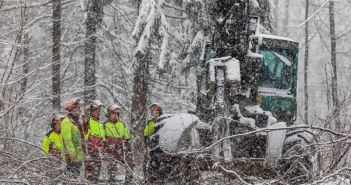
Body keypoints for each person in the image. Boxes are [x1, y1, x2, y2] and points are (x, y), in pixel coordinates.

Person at [104, 104, 133, 184]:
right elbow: (103, 139)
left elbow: (127, 137)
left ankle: (128, 182)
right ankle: (112, 181)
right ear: (109, 114)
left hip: (122, 148)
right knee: (112, 166)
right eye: (113, 113)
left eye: (117, 113)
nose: (115, 115)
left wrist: (128, 147)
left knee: (130, 163)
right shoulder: (105, 125)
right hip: (111, 149)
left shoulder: (122, 124)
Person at [61, 98, 84, 178]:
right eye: (77, 108)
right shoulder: (66, 122)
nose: (79, 111)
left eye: (79, 108)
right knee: (70, 178)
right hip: (71, 157)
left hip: (78, 156)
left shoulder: (75, 123)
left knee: (75, 177)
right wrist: (72, 154)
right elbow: (67, 140)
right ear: (72, 110)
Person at [84, 100, 105, 183]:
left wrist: (102, 147)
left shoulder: (100, 124)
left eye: (98, 111)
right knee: (90, 173)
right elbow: (85, 135)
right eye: (95, 111)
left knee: (97, 171)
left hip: (98, 152)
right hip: (90, 151)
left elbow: (103, 138)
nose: (97, 112)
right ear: (91, 112)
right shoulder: (88, 121)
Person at [143, 103, 163, 183]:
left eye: (157, 113)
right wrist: (147, 141)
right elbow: (146, 134)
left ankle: (160, 178)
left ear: (160, 113)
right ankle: (150, 179)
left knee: (160, 163)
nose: (155, 115)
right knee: (151, 162)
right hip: (152, 146)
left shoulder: (163, 121)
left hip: (161, 146)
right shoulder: (149, 123)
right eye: (153, 113)